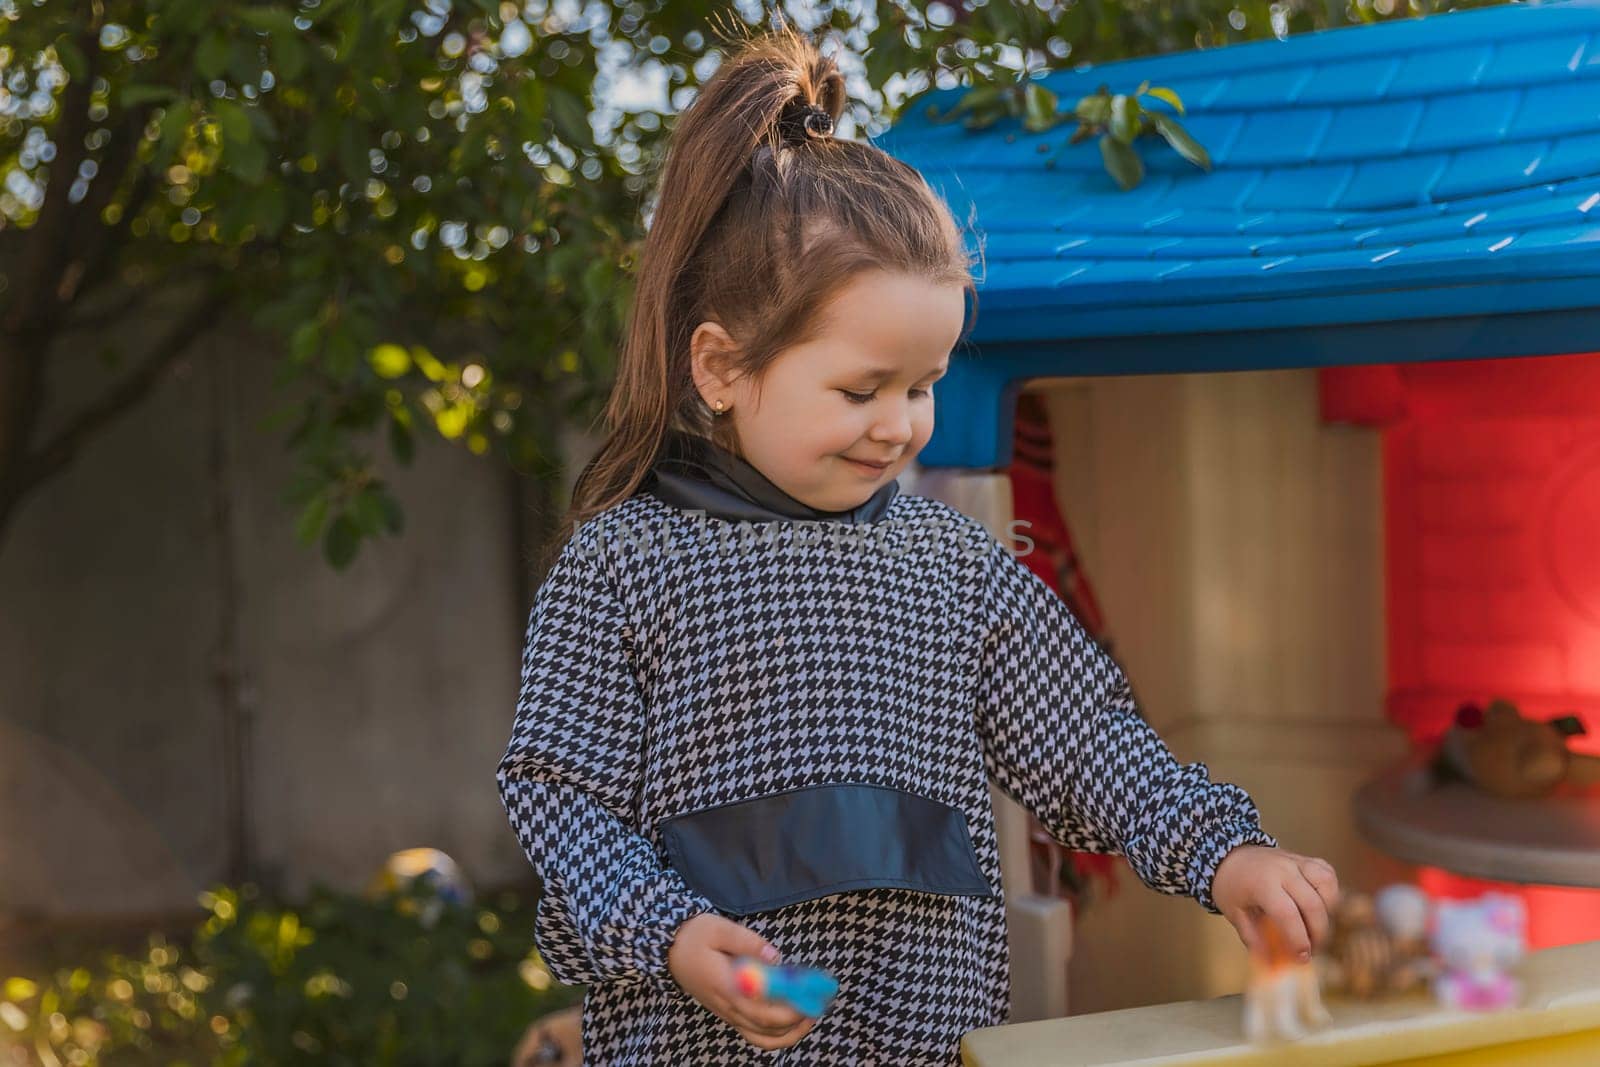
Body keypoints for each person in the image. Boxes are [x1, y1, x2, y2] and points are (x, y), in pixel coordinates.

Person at [495, 22, 1340, 1066]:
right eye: (861, 388)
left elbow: (1089, 743)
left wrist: (1227, 851)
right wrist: (667, 932)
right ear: (718, 366)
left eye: (924, 383)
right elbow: (559, 792)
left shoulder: (953, 566)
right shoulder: (624, 564)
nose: (900, 423)